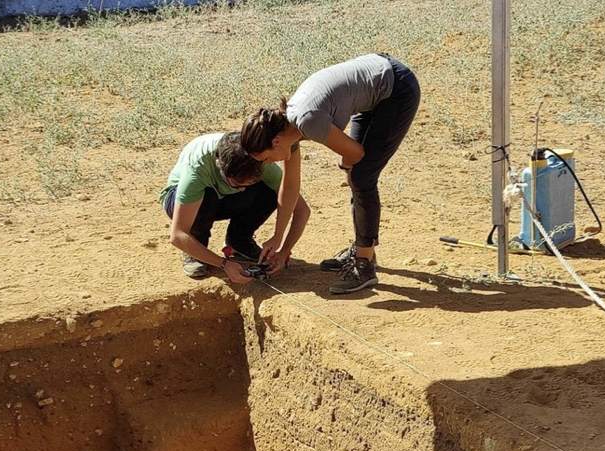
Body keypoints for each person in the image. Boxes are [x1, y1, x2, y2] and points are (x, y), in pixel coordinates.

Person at [240, 53, 421, 296]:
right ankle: (363, 248)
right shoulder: (288, 129)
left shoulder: (307, 121)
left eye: (266, 158)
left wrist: (346, 166)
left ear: (276, 141)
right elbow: (290, 187)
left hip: (396, 88)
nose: (270, 163)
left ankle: (365, 265)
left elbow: (355, 154)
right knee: (357, 174)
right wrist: (278, 239)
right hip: (376, 85)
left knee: (362, 177)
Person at [162, 130, 310, 286]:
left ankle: (239, 241)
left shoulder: (262, 162)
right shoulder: (198, 170)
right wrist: (224, 264)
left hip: (223, 199)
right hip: (181, 201)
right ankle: (195, 251)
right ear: (221, 170)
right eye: (237, 184)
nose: (242, 190)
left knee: (276, 191)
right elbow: (178, 234)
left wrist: (284, 250)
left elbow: (302, 210)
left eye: (250, 183)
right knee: (208, 195)